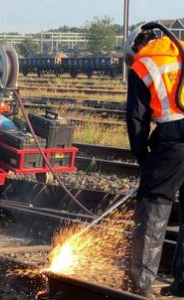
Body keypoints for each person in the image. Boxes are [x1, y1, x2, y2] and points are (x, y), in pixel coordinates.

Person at [125, 22, 184, 297]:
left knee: (153, 207)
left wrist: (142, 155)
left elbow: (137, 119)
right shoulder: (179, 51)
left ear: (136, 46)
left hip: (173, 140)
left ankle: (139, 285)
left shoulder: (142, 65)